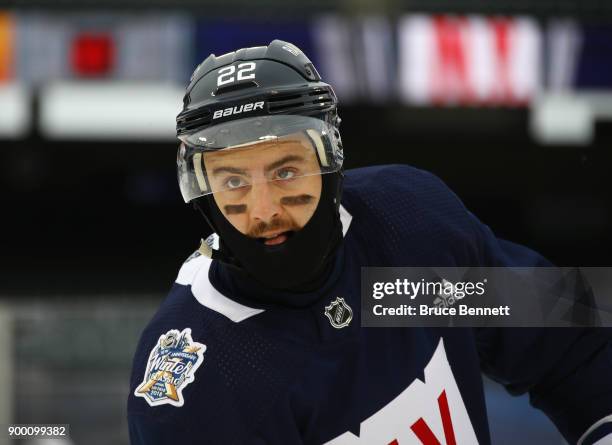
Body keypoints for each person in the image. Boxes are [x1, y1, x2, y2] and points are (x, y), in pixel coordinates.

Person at [127, 40, 612, 444]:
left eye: (287, 171)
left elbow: (567, 337)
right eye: (233, 181)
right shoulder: (196, 379)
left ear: (331, 158)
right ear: (201, 188)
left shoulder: (408, 236)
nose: (264, 209)